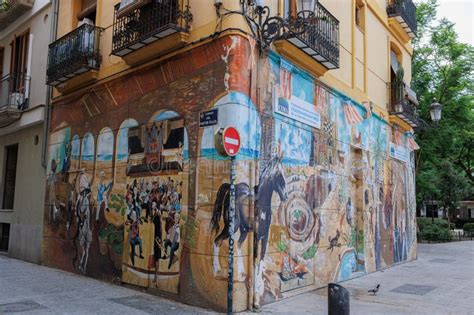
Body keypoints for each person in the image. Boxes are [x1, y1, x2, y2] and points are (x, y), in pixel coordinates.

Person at [152, 201, 163, 285]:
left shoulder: (158, 216)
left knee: (157, 258)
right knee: (156, 258)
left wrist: (160, 240)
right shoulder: (154, 215)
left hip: (157, 238)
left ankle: (157, 279)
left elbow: (161, 228)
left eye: (154, 204)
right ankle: (155, 278)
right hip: (154, 238)